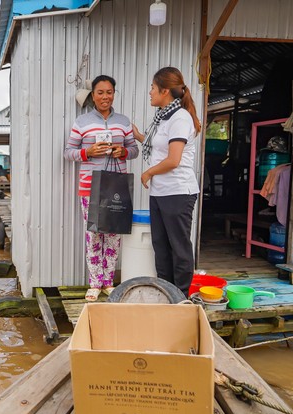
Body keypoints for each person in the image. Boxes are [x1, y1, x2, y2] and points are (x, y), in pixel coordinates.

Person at [64, 75, 139, 301]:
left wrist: (123, 151)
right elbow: (68, 152)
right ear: (93, 96)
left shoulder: (124, 122)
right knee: (94, 234)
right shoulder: (82, 122)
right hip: (90, 187)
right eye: (100, 92)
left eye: (109, 92)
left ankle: (108, 282)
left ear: (114, 94)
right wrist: (88, 152)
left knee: (114, 234)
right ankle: (94, 283)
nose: (105, 96)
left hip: (117, 186)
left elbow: (134, 149)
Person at [133, 67, 201, 296]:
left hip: (178, 192)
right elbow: (159, 148)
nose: (150, 92)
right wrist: (139, 136)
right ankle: (166, 292)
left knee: (178, 247)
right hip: (160, 193)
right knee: (161, 247)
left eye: (153, 88)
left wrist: (148, 173)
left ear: (164, 90)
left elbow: (173, 160)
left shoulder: (180, 117)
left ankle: (180, 296)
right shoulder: (164, 117)